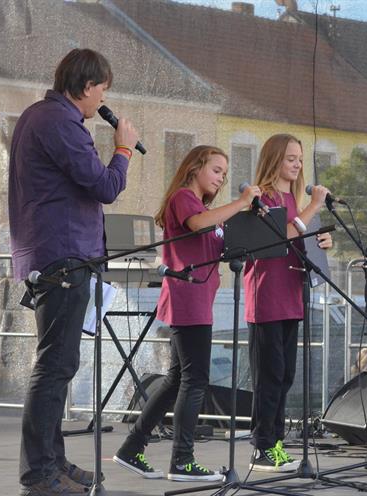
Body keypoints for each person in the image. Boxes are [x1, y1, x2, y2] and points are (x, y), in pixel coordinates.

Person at [8, 48, 139, 496]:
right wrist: (122, 149)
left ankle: (54, 463)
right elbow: (105, 186)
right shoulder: (60, 122)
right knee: (54, 366)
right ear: (87, 88)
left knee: (58, 366)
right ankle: (38, 475)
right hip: (63, 256)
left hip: (57, 255)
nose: (104, 96)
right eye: (103, 88)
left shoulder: (40, 117)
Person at [113, 145, 261, 482]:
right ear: (195, 167)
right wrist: (240, 203)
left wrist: (253, 223)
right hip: (188, 297)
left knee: (176, 379)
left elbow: (220, 243)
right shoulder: (184, 199)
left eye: (224, 173)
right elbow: (197, 225)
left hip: (198, 298)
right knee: (195, 381)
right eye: (216, 170)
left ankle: (131, 448)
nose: (222, 178)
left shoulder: (208, 210)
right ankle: (182, 460)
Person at [244, 134, 332, 472]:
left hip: (292, 295)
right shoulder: (262, 197)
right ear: (274, 160)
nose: (297, 165)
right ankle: (262, 445)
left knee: (285, 375)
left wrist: (320, 240)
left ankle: (276, 442)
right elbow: (282, 234)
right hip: (266, 297)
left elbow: (299, 237)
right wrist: (313, 209)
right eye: (290, 158)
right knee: (269, 374)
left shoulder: (294, 199)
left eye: (299, 159)